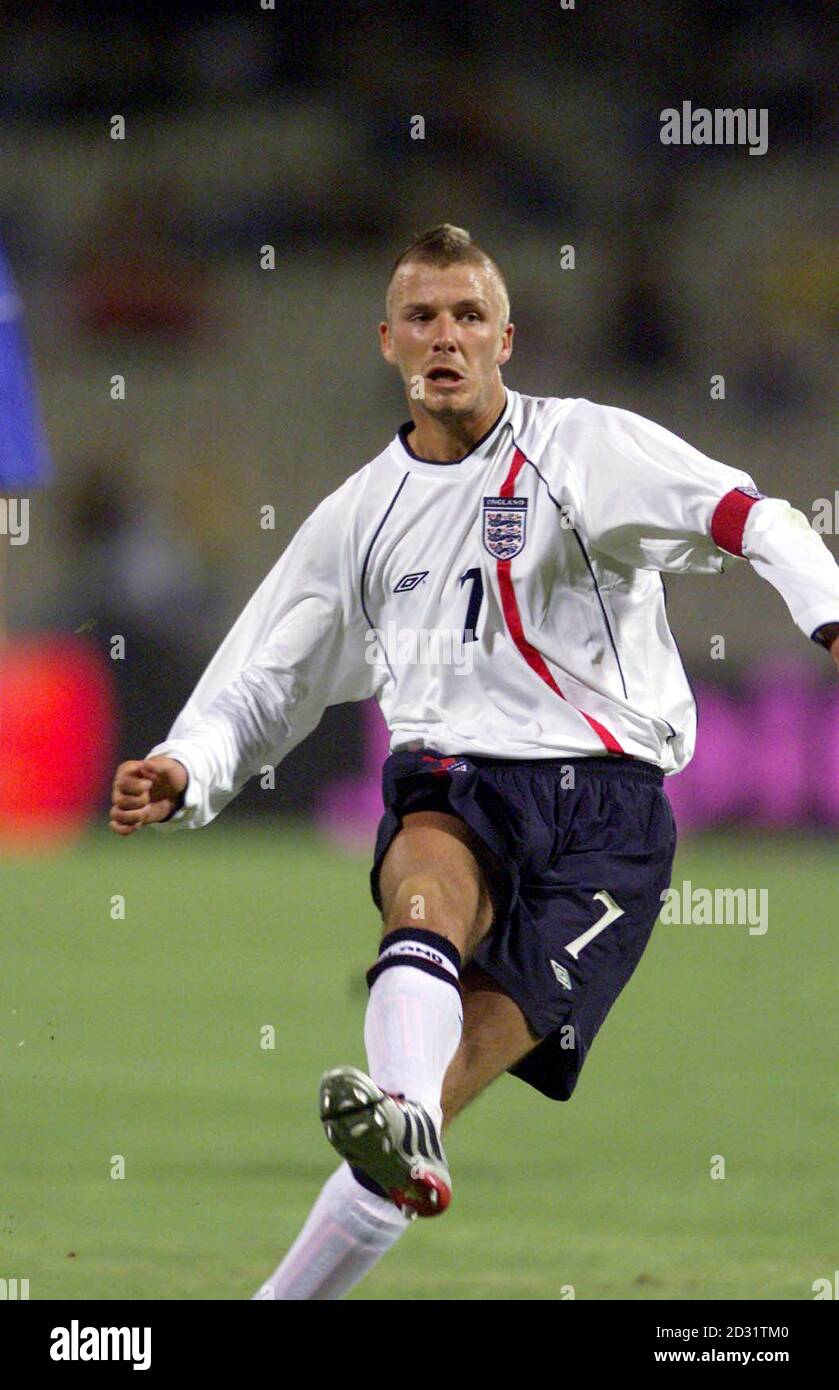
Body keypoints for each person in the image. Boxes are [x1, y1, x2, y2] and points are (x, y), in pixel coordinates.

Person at [108, 224, 839, 1300]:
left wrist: (829, 617)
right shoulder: (357, 515)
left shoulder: (588, 448)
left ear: (506, 335)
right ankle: (397, 1117)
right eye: (420, 317)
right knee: (422, 893)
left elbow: (750, 517)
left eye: (464, 316)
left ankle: (367, 1175)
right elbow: (267, 675)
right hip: (454, 778)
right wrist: (187, 764)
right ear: (387, 342)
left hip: (607, 814)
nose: (443, 336)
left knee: (416, 1122)